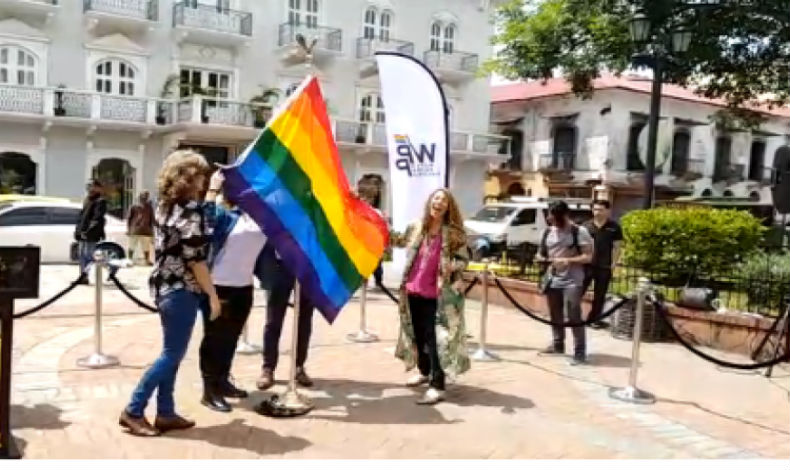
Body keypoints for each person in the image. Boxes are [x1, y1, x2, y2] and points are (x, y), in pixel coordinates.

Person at [119, 150, 220, 437]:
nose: (204, 180)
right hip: (181, 289)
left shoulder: (166, 206)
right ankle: (134, 410)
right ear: (189, 178)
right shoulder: (189, 211)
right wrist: (212, 295)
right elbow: (195, 258)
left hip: (164, 285)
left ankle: (165, 411)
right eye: (200, 175)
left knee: (171, 353)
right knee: (171, 354)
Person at [199, 171, 270, 413]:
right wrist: (212, 189)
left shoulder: (261, 219)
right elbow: (203, 221)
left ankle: (223, 381)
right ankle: (209, 391)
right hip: (218, 285)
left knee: (231, 338)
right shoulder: (226, 215)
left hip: (244, 286)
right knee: (214, 339)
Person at [394, 188, 470, 405]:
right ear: (430, 202)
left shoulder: (454, 233)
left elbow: (464, 259)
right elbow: (397, 240)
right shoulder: (416, 227)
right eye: (436, 198)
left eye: (444, 201)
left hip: (438, 295)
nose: (439, 203)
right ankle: (424, 371)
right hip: (413, 290)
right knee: (416, 336)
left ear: (448, 207)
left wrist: (452, 267)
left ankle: (438, 385)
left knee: (437, 339)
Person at [536, 200, 593, 366]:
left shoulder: (579, 232)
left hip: (572, 280)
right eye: (550, 216)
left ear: (564, 215)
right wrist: (543, 259)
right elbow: (540, 254)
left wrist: (568, 260)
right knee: (555, 313)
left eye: (554, 216)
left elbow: (588, 256)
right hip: (552, 279)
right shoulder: (547, 232)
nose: (550, 219)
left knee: (573, 314)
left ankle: (580, 351)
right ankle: (557, 344)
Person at [255, 246, 316, 391]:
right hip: (279, 266)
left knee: (304, 320)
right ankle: (268, 368)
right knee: (273, 321)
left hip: (306, 265)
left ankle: (299, 367)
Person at [582, 200, 623, 330]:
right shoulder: (585, 226)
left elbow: (617, 247)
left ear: (607, 211)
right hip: (587, 265)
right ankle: (573, 317)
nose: (597, 212)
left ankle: (594, 319)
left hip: (604, 266)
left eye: (600, 209)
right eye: (595, 209)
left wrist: (614, 263)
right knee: (578, 291)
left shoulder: (614, 227)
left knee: (600, 295)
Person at [75, 179, 108, 284]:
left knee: (89, 255)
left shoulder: (100, 201)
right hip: (82, 232)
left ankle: (86, 275)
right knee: (81, 255)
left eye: (91, 185)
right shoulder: (87, 200)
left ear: (98, 188)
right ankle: (83, 276)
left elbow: (97, 219)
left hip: (91, 234)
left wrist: (88, 231)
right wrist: (78, 230)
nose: (89, 188)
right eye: (88, 185)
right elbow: (81, 217)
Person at [127, 191, 155, 266]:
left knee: (145, 247)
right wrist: (128, 229)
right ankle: (129, 260)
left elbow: (152, 219)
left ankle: (147, 260)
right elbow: (129, 218)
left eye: (146, 196)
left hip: (145, 230)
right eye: (143, 196)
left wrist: (153, 230)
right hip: (135, 230)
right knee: (132, 246)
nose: (144, 198)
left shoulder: (149, 207)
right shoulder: (134, 206)